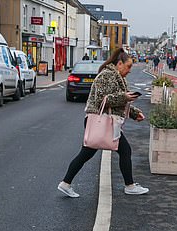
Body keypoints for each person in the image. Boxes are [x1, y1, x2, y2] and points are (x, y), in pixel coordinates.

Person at [58, 48, 149, 198]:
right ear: (119, 64)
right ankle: (130, 186)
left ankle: (65, 183)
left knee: (86, 153)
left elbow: (118, 102)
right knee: (124, 150)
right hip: (102, 121)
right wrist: (124, 97)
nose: (130, 70)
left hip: (105, 121)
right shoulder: (107, 76)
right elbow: (103, 100)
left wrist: (134, 113)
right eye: (128, 66)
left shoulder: (117, 77)